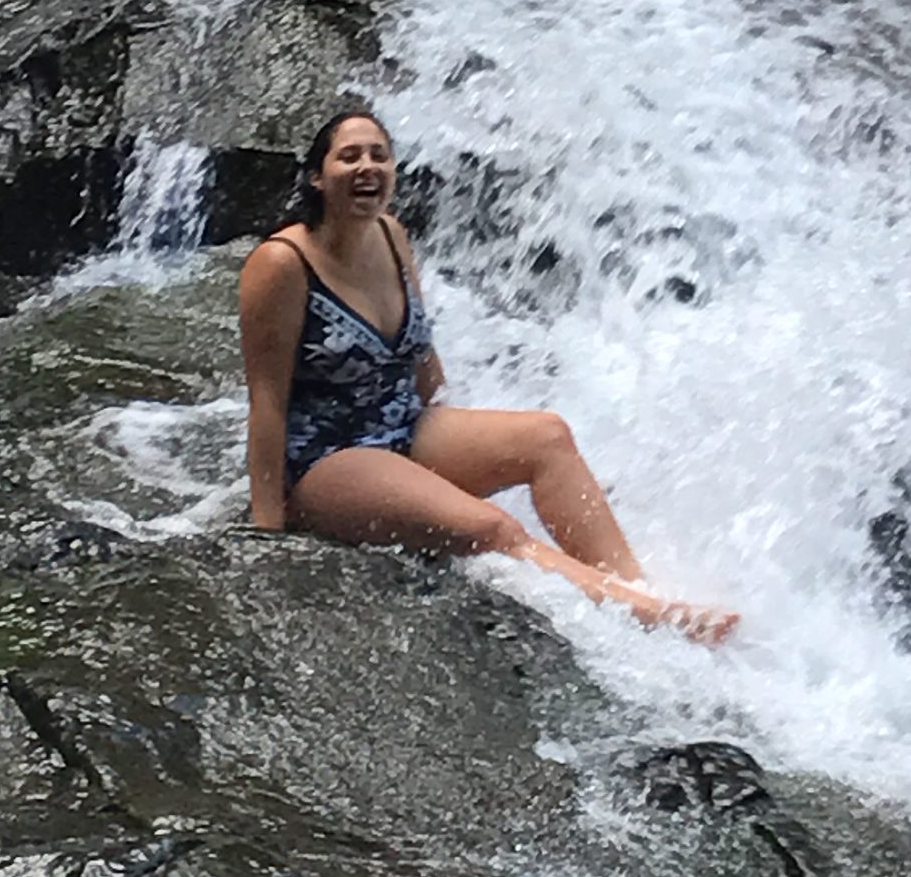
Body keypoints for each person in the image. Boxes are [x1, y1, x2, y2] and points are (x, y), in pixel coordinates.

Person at [237, 108, 737, 644]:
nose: (367, 167)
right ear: (318, 176)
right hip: (328, 460)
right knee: (490, 528)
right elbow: (267, 402)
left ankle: (641, 591)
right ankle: (649, 618)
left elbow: (420, 352)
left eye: (379, 155)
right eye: (349, 156)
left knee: (547, 436)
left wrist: (456, 439)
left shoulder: (390, 235)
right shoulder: (281, 263)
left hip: (402, 426)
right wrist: (270, 535)